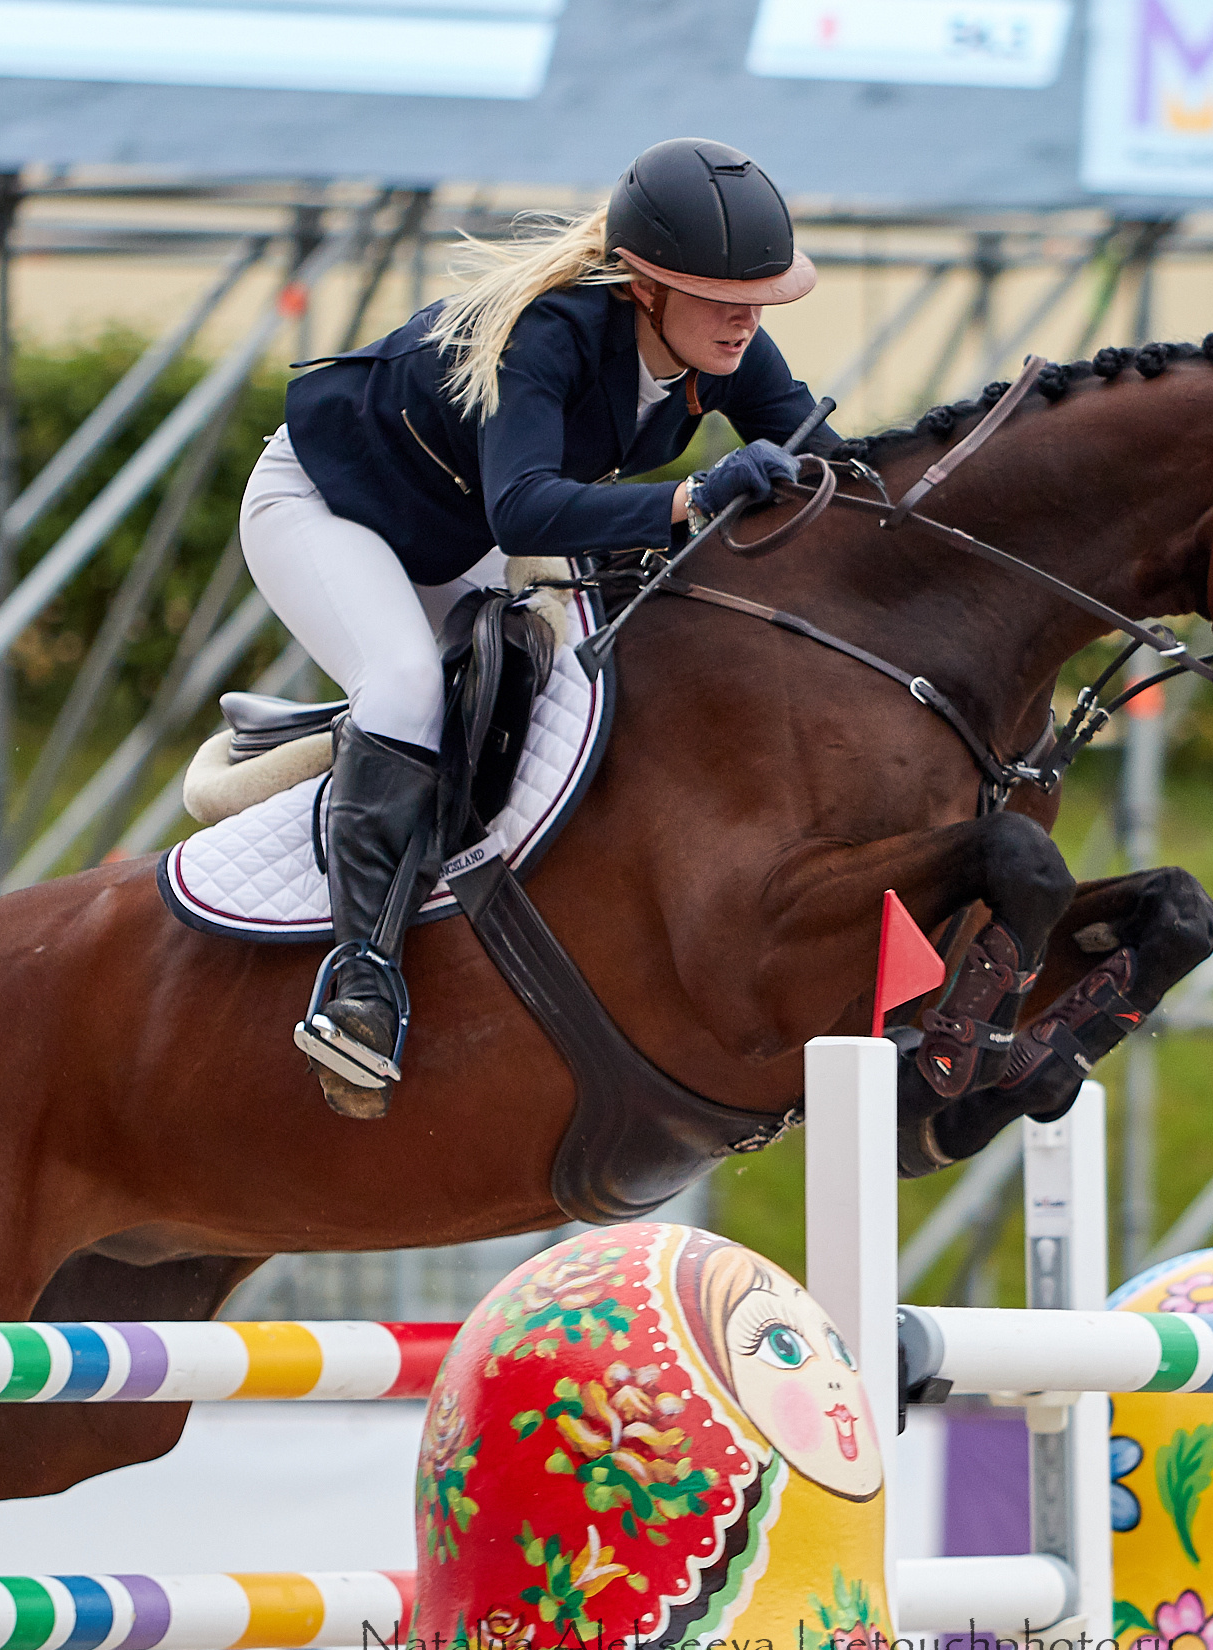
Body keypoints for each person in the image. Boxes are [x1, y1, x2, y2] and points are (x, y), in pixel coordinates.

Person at [242, 137, 838, 1107]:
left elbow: (834, 467)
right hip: (325, 506)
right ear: (645, 287)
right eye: (722, 297)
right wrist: (692, 497)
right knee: (405, 685)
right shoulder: (550, 333)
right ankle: (360, 982)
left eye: (762, 298)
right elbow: (522, 511)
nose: (748, 318)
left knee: (566, 688)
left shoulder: (728, 349)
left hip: (447, 532)